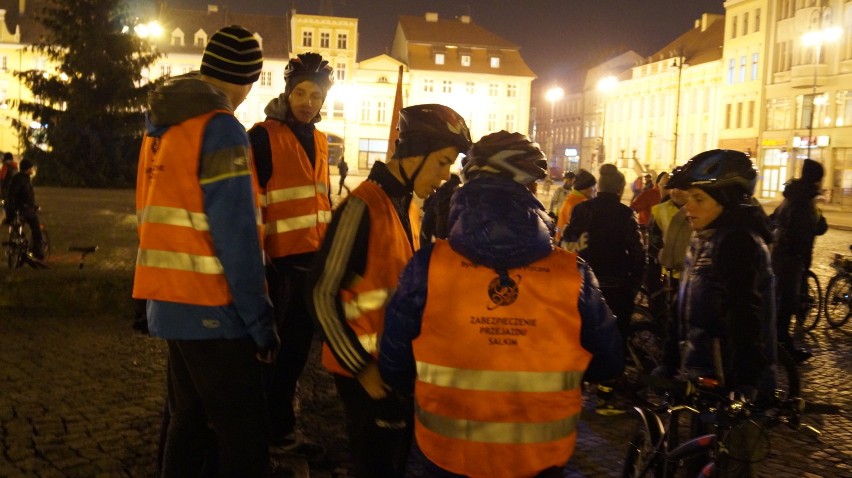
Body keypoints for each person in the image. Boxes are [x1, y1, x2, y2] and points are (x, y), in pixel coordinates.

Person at [378, 131, 624, 478]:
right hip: (538, 459)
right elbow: (608, 362)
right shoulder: (572, 274)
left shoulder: (429, 266)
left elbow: (395, 366)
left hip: (446, 454)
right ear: (531, 191)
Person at [133, 25, 279, 477]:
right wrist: (261, 321)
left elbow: (148, 214)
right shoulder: (220, 130)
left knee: (188, 423)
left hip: (169, 299)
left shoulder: (163, 127)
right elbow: (235, 235)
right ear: (247, 78)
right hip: (212, 307)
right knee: (244, 437)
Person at [307, 103, 472, 478]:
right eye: (442, 162)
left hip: (392, 366)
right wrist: (361, 368)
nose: (446, 175)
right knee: (374, 463)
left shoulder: (406, 207)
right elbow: (319, 293)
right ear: (415, 154)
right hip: (365, 374)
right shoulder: (361, 206)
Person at [663, 149, 776, 477]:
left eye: (698, 198)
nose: (688, 206)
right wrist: (670, 361)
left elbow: (746, 316)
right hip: (704, 383)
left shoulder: (738, 243)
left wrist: (745, 384)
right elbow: (680, 306)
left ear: (725, 202)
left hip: (730, 388)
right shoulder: (704, 239)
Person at [247, 51, 334, 459]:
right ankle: (261, 432)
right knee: (269, 357)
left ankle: (280, 428)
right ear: (287, 92)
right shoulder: (261, 136)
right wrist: (259, 262)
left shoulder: (320, 139)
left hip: (310, 266)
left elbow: (320, 200)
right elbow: (251, 205)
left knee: (297, 354)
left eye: (314, 95)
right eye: (300, 92)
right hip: (276, 267)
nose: (307, 101)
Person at [560, 163, 644, 415]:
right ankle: (607, 397)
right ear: (619, 189)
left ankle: (575, 391)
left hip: (583, 285)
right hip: (616, 287)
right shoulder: (625, 214)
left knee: (579, 337)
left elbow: (568, 244)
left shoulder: (582, 209)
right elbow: (638, 253)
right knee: (614, 340)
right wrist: (634, 283)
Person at [770, 158, 827, 363]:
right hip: (791, 259)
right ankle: (781, 349)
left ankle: (782, 345)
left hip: (784, 257)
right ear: (816, 179)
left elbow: (774, 218)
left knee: (784, 304)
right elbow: (807, 230)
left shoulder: (793, 195)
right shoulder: (804, 199)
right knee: (785, 305)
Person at [7, 158, 46, 260]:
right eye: (31, 168)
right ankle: (37, 251)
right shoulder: (22, 180)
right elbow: (16, 195)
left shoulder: (21, 178)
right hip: (24, 210)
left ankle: (22, 250)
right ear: (27, 169)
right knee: (36, 230)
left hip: (24, 208)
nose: (32, 170)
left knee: (20, 230)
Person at [554, 168, 595, 243]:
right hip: (570, 248)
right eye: (593, 186)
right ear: (586, 188)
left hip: (561, 241)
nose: (595, 190)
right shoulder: (582, 204)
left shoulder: (571, 198)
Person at [420, 171, 461, 243]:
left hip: (438, 232)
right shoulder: (454, 196)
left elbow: (428, 217)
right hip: (448, 235)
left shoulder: (438, 194)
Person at [1, 152, 17, 222]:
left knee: (5, 203)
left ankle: (7, 218)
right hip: (14, 187)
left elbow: (2, 177)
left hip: (6, 187)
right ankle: (12, 218)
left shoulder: (6, 166)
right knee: (12, 203)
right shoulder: (15, 166)